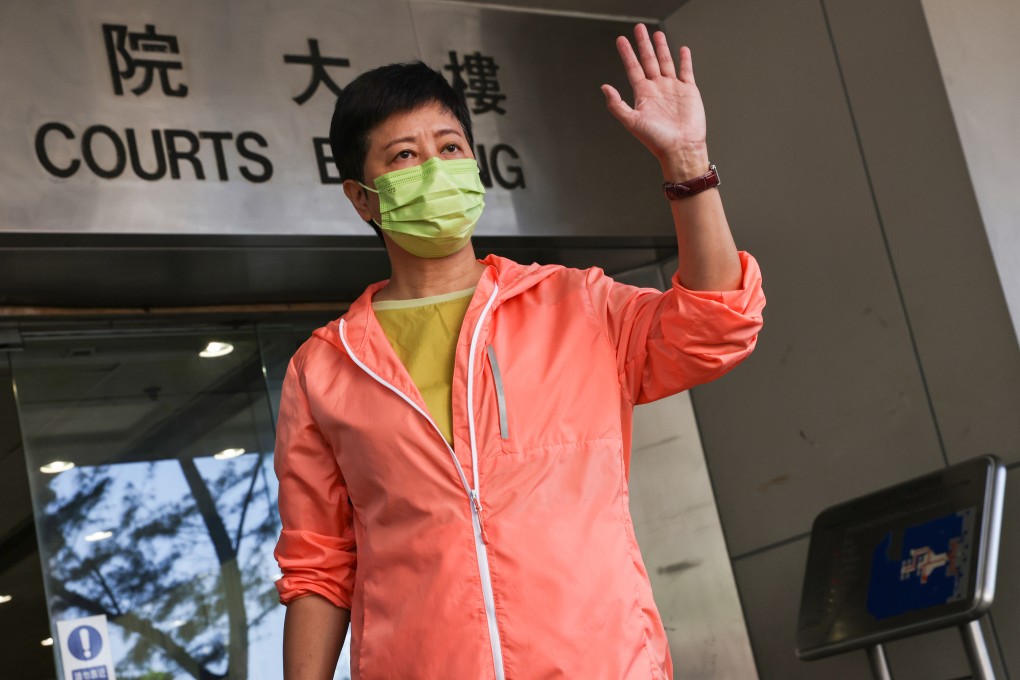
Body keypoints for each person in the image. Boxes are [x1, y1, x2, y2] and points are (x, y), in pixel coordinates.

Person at [274, 23, 765, 680]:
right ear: (363, 199)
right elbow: (319, 565)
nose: (435, 168)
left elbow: (716, 324)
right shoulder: (324, 368)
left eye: (449, 147)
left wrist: (687, 166)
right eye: (403, 157)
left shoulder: (576, 306)